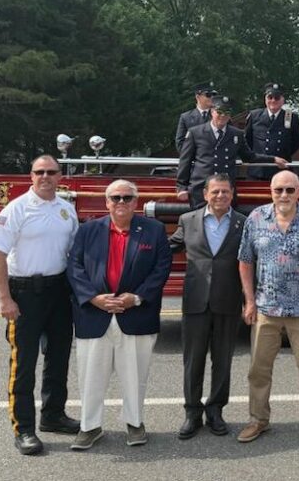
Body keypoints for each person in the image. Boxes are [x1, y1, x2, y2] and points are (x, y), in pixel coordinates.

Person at [67, 180, 172, 450]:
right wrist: (94, 298)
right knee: (90, 377)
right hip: (94, 314)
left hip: (136, 314)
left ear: (136, 202)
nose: (121, 202)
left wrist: (136, 298)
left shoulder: (154, 230)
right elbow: (74, 267)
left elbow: (161, 269)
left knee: (135, 376)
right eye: (116, 198)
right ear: (107, 202)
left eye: (127, 197)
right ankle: (89, 427)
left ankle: (135, 423)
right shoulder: (87, 230)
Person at [0, 155, 80, 455]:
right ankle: (24, 428)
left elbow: (74, 253)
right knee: (24, 364)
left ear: (60, 176)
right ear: (31, 176)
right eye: (39, 172)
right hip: (25, 293)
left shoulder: (66, 209)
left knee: (58, 357)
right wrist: (5, 298)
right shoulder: (17, 209)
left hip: (59, 291)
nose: (45, 177)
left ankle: (53, 415)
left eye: (51, 172)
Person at [237, 170, 299, 448]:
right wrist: (249, 301)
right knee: (258, 369)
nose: (284, 195)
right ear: (270, 191)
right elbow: (245, 261)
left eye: (290, 190)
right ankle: (258, 419)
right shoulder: (256, 218)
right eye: (278, 190)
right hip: (266, 308)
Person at [169, 174, 247, 440]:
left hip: (228, 299)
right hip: (195, 300)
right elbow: (168, 248)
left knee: (223, 360)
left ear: (232, 194)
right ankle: (192, 412)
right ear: (205, 194)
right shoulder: (188, 220)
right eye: (215, 191)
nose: (220, 196)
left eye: (225, 191)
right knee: (193, 360)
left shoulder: (243, 222)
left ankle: (215, 410)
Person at [177, 94, 287, 207]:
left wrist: (273, 159)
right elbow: (185, 161)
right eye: (219, 112)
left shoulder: (236, 134)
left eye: (227, 112)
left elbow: (249, 156)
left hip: (226, 189)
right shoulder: (196, 132)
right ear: (212, 112)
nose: (223, 116)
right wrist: (182, 187)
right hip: (202, 188)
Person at [245, 82, 299, 180]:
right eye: (270, 97)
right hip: (258, 170)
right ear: (265, 99)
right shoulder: (254, 116)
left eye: (277, 98)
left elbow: (296, 142)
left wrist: (283, 154)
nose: (273, 100)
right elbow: (247, 140)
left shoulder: (291, 117)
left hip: (281, 170)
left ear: (283, 100)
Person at [175, 81, 218, 152]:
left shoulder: (220, 116)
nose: (212, 97)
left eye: (214, 95)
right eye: (208, 95)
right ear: (198, 97)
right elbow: (180, 143)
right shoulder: (185, 117)